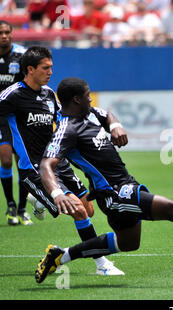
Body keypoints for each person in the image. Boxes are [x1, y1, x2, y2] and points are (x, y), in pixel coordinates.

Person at [34, 77, 173, 283]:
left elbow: (106, 114)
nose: (90, 99)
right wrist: (57, 193)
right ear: (76, 99)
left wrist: (115, 125)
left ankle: (60, 257)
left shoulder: (90, 113)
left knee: (128, 244)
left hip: (126, 184)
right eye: (87, 95)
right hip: (113, 193)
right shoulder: (67, 128)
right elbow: (46, 164)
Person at [0, 46, 123, 275]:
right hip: (35, 169)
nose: (50, 72)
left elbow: (68, 117)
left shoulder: (48, 95)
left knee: (88, 210)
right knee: (78, 210)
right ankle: (102, 265)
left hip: (59, 163)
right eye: (46, 68)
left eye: (51, 67)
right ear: (30, 69)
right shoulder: (12, 95)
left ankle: (39, 200)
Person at [0, 20, 30, 226]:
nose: (4, 36)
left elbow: (30, 82)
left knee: (23, 162)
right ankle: (10, 205)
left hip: (19, 116)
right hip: (0, 116)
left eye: (7, 32)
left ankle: (23, 208)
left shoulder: (21, 55)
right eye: (0, 33)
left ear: (12, 34)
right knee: (6, 160)